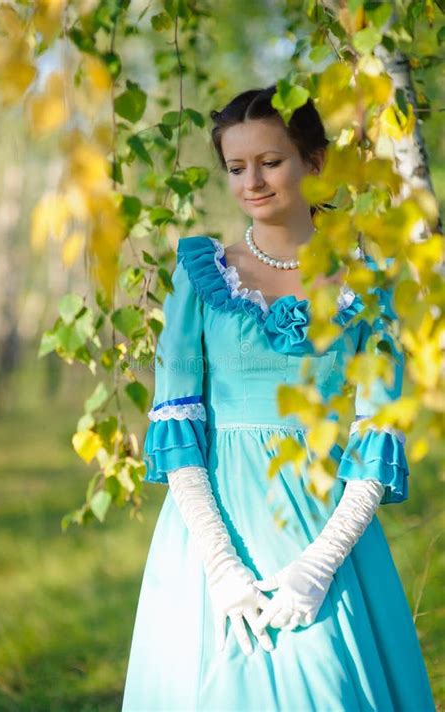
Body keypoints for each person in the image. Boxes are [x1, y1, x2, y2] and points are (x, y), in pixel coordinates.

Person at [121, 86, 435, 711]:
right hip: (216, 527)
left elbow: (379, 430)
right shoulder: (202, 275)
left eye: (271, 161)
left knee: (328, 683)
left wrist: (320, 564)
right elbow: (177, 423)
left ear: (312, 160)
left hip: (323, 527)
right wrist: (219, 564)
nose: (252, 182)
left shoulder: (367, 285)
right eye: (237, 168)